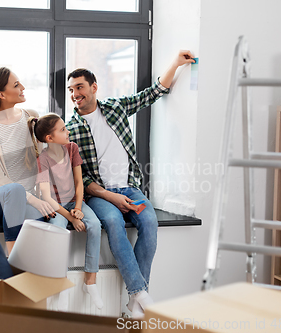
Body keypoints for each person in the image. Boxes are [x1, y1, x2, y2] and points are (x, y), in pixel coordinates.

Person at [65, 50, 195, 317]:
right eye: (70, 90)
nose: (74, 94)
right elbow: (82, 178)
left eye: (79, 87)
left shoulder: (115, 108)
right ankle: (139, 293)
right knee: (113, 222)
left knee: (149, 222)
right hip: (100, 196)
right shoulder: (71, 129)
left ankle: (136, 298)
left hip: (129, 187)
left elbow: (153, 93)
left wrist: (176, 63)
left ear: (94, 87)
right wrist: (111, 198)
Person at [0, 67, 56, 255]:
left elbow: (41, 162)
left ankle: (29, 273)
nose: (22, 87)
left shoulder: (31, 117)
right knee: (15, 190)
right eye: (16, 85)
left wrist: (43, 198)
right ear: (1, 94)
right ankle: (12, 261)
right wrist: (33, 199)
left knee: (38, 230)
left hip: (25, 201)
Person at [28, 113, 103, 310]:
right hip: (57, 208)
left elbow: (79, 183)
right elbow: (46, 196)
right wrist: (70, 216)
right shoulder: (42, 159)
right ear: (49, 138)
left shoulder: (72, 149)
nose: (68, 131)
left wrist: (78, 208)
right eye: (62, 129)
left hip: (74, 202)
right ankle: (61, 284)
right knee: (58, 232)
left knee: (95, 225)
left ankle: (91, 282)